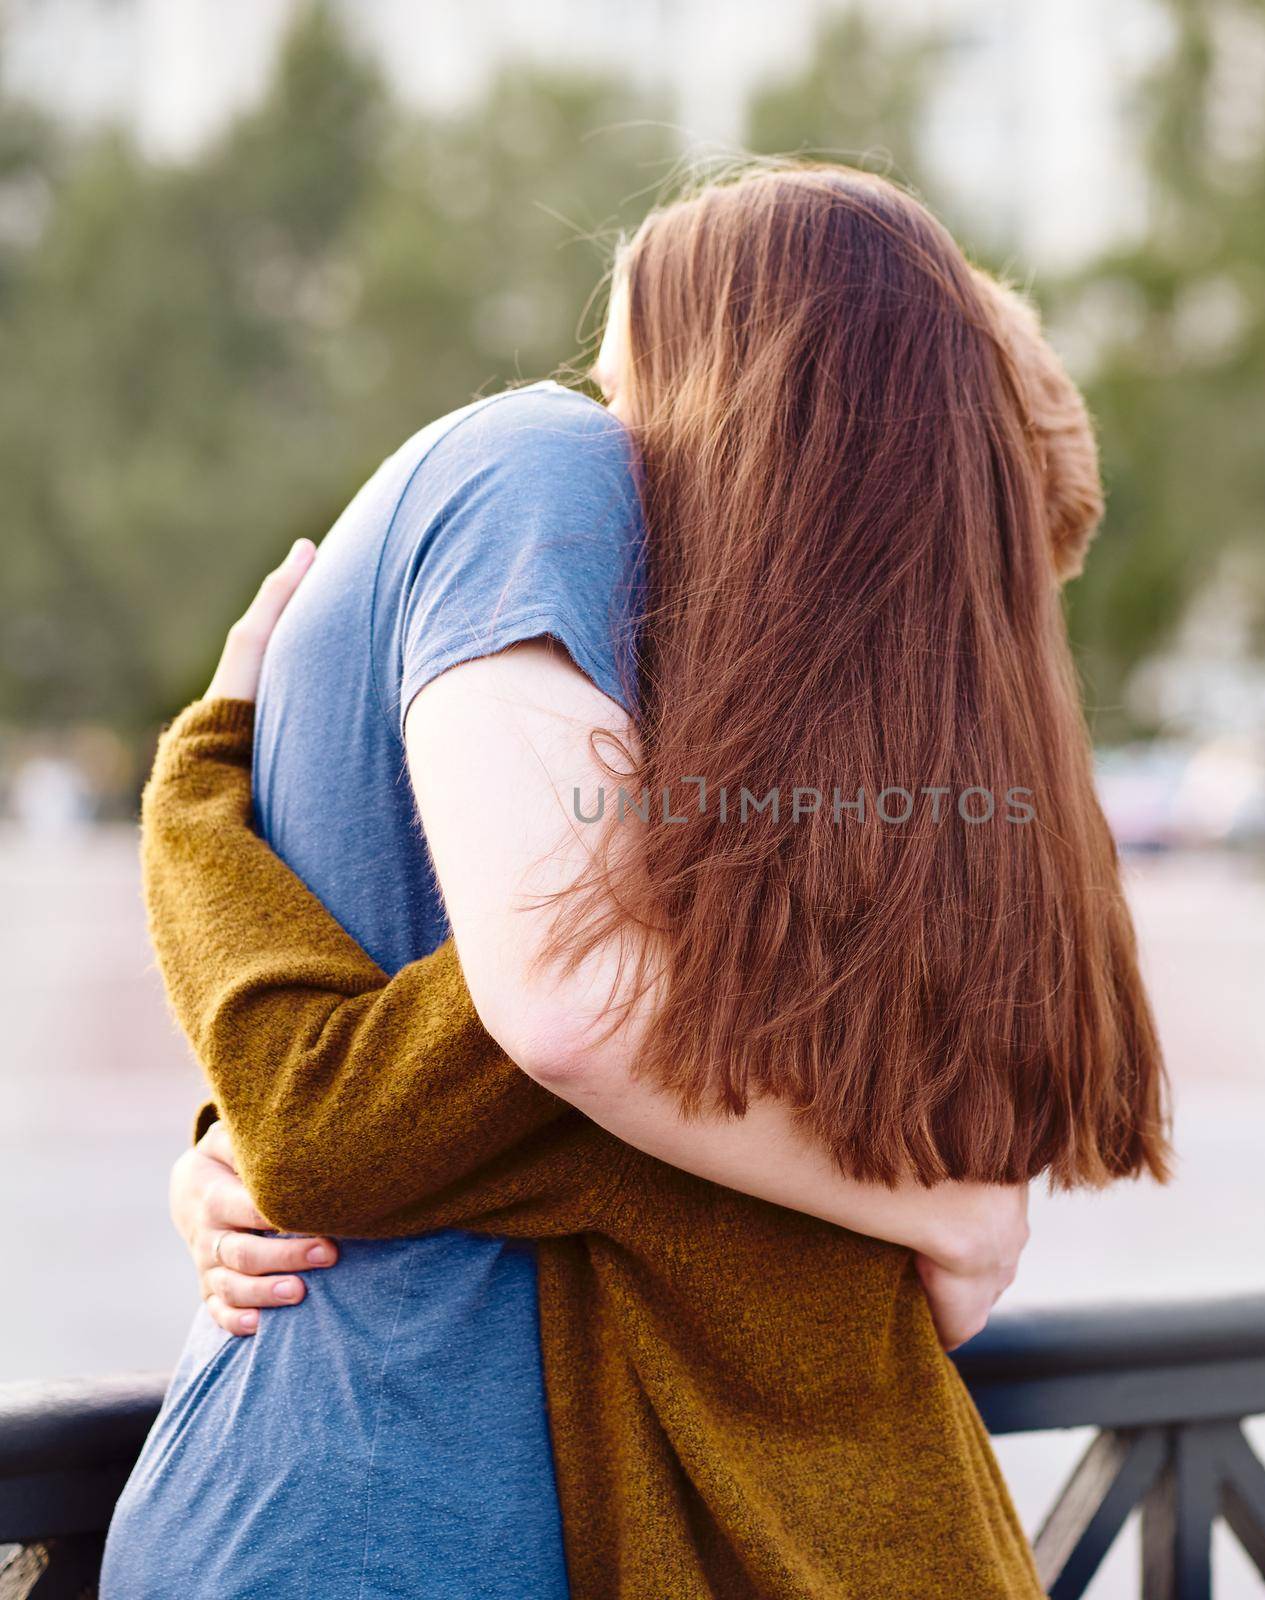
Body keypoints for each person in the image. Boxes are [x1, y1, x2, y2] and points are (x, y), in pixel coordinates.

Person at [106, 164, 1169, 1599]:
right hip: (386, 1511)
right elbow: (514, 1043)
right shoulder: (545, 479)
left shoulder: (773, 820)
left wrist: (206, 831)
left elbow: (405, 1097)